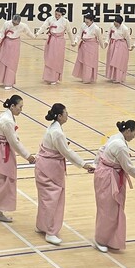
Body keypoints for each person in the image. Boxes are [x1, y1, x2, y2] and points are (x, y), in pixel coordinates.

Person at [93, 120, 135, 253]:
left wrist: (96, 164)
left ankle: (109, 238)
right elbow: (130, 167)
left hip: (106, 174)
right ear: (128, 131)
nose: (134, 136)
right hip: (108, 177)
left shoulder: (116, 137)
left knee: (111, 209)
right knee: (107, 209)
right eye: (134, 133)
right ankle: (100, 239)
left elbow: (101, 149)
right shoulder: (120, 145)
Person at [35, 103, 95, 245]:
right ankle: (50, 232)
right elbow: (66, 152)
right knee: (52, 200)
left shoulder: (54, 128)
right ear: (60, 116)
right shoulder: (57, 132)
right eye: (66, 113)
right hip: (49, 169)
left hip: (44, 166)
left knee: (46, 199)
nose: (68, 115)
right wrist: (83, 164)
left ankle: (42, 225)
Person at [0, 95, 36, 224]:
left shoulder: (7, 116)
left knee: (5, 182)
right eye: (20, 107)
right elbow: (14, 142)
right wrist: (28, 156)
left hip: (6, 152)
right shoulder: (7, 120)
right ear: (12, 106)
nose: (21, 109)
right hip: (0, 153)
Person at [0, 15, 33, 90]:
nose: (15, 24)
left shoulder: (23, 26)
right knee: (3, 60)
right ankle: (2, 79)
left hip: (15, 43)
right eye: (13, 23)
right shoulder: (7, 23)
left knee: (12, 63)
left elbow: (28, 33)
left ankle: (9, 82)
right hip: (6, 42)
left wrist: (34, 36)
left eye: (16, 23)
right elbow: (1, 32)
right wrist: (0, 37)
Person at [37, 7, 70, 85]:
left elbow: (69, 31)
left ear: (62, 15)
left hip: (60, 41)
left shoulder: (65, 21)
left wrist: (73, 41)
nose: (56, 16)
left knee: (57, 58)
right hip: (51, 39)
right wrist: (38, 33)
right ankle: (48, 76)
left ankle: (55, 77)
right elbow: (44, 26)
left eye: (59, 15)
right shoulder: (50, 19)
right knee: (49, 58)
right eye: (56, 14)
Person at [71, 14, 102, 84]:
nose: (86, 23)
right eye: (85, 21)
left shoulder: (96, 28)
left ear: (92, 21)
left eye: (87, 22)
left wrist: (103, 46)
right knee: (83, 61)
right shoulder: (83, 25)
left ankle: (88, 78)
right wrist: (75, 41)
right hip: (84, 45)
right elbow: (79, 34)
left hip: (92, 46)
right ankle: (83, 76)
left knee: (89, 62)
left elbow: (99, 38)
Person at [104, 15, 133, 84]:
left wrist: (129, 47)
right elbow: (108, 34)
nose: (115, 24)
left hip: (121, 45)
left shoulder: (125, 29)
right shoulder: (112, 26)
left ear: (120, 23)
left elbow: (128, 39)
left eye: (116, 23)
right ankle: (112, 76)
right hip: (112, 44)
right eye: (114, 22)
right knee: (111, 60)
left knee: (118, 61)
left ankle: (118, 77)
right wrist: (106, 41)